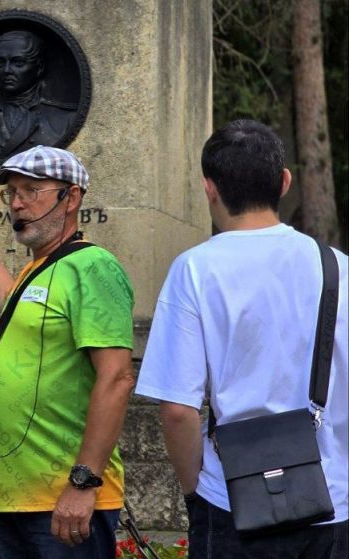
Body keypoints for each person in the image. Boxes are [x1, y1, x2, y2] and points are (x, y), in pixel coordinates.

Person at [135, 119, 348, 558]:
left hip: (233, 501)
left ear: (209, 188)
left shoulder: (195, 270)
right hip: (334, 504)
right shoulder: (340, 270)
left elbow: (178, 410)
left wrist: (197, 491)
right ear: (284, 182)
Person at [0, 145, 135, 558]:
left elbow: (116, 378)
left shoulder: (91, 266)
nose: (18, 203)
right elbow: (8, 304)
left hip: (65, 501)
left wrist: (83, 483)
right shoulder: (40, 267)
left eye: (31, 190)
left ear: (71, 197)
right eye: (12, 193)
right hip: (15, 499)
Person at [0, 30, 77, 161]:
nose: (7, 70)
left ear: (39, 67)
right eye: (0, 62)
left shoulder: (65, 119)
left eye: (18, 62)